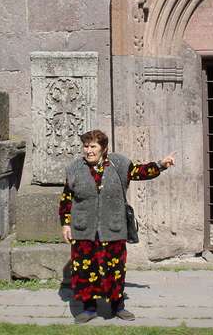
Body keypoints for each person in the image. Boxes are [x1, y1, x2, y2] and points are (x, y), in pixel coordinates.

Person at [59, 129, 175, 324]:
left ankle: (117, 306)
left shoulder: (118, 164)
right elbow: (66, 198)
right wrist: (66, 224)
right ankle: (88, 308)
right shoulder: (74, 169)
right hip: (83, 229)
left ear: (103, 148)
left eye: (93, 146)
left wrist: (161, 165)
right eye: (86, 146)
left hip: (112, 227)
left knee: (115, 269)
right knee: (85, 270)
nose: (88, 151)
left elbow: (139, 172)